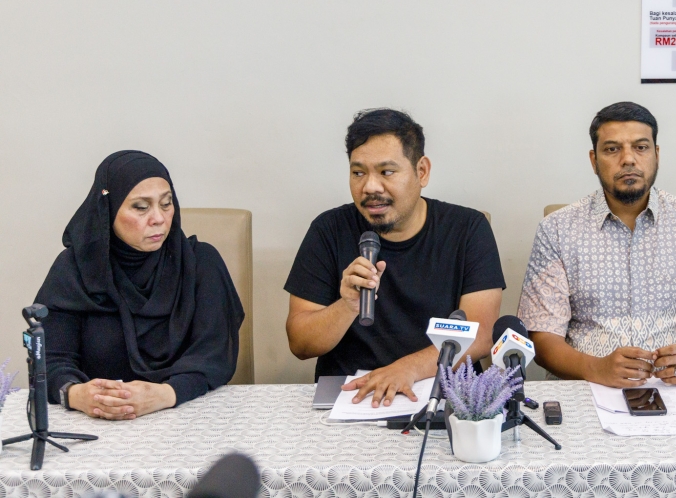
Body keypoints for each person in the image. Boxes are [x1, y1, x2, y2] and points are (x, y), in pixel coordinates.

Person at [517, 102, 676, 388]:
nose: (628, 159)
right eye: (612, 149)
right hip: (586, 386)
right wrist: (596, 368)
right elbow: (542, 335)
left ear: (656, 155)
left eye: (641, 147)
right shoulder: (557, 229)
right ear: (594, 160)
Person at [284, 109, 504, 407]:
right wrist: (347, 306)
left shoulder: (468, 229)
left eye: (386, 172)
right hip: (353, 396)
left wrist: (408, 369)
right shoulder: (328, 230)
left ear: (421, 171)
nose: (370, 187)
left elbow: (480, 336)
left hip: (441, 392)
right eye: (358, 172)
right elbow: (300, 343)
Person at [35, 151, 245, 420]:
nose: (158, 218)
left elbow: (214, 356)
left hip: (190, 418)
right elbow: (49, 360)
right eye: (141, 207)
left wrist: (165, 394)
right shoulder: (75, 269)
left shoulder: (201, 263)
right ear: (108, 209)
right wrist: (80, 395)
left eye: (167, 204)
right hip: (98, 423)